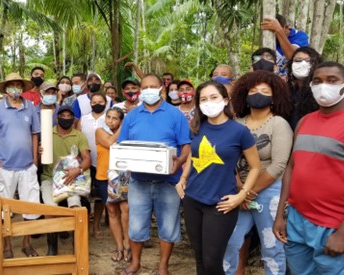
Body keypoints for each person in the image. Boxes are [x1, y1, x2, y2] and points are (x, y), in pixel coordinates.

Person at [273, 61, 344, 274]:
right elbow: (292, 169)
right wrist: (280, 216)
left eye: (332, 80)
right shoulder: (304, 122)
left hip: (337, 225)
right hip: (298, 221)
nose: (324, 86)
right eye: (317, 81)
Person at [176, 80, 261, 275]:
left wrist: (241, 196)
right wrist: (183, 178)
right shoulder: (197, 127)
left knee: (212, 262)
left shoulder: (239, 131)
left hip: (221, 203)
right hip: (192, 201)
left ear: (225, 100)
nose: (208, 102)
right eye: (203, 99)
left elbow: (256, 167)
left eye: (213, 97)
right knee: (199, 259)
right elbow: (193, 155)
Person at [117, 74, 192, 275]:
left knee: (168, 226)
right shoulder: (132, 116)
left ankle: (163, 267)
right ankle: (135, 263)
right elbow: (122, 144)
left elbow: (186, 146)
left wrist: (180, 162)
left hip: (168, 182)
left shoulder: (175, 115)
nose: (149, 90)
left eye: (153, 86)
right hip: (139, 181)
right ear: (141, 90)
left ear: (161, 88)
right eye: (145, 87)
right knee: (136, 226)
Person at [223, 71, 293, 275]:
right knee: (230, 242)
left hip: (269, 191)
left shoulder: (279, 124)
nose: (258, 94)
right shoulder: (236, 124)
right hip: (237, 191)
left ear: (274, 96)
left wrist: (248, 192)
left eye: (264, 91)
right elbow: (229, 160)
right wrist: (239, 190)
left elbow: (279, 164)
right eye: (253, 91)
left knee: (272, 245)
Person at [0, 73, 41, 258]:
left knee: (29, 206)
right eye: (11, 85)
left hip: (27, 166)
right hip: (5, 167)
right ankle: (7, 245)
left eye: (18, 85)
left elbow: (34, 134)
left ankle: (26, 243)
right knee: (3, 209)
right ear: (6, 88)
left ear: (23, 88)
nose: (15, 88)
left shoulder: (30, 107)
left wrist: (35, 161)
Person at [41, 105, 91, 256]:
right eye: (63, 116)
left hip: (71, 176)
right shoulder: (47, 134)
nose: (66, 119)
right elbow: (38, 161)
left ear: (74, 119)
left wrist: (78, 170)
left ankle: (78, 246)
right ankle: (52, 247)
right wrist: (39, 153)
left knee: (75, 205)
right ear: (57, 118)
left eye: (70, 116)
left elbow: (87, 159)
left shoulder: (79, 135)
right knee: (50, 208)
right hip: (49, 177)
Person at [95, 108, 129, 263]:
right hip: (104, 176)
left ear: (120, 120)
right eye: (108, 117)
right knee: (112, 211)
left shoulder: (128, 133)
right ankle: (119, 247)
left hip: (123, 177)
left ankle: (128, 246)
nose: (110, 120)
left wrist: (125, 126)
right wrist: (124, 125)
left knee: (126, 209)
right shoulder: (100, 132)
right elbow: (109, 143)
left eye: (115, 118)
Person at [77, 93, 107, 238]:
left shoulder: (109, 118)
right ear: (90, 104)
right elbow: (77, 139)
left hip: (103, 163)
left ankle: (96, 226)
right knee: (85, 195)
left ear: (106, 102)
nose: (97, 104)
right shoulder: (83, 119)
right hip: (86, 163)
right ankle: (85, 227)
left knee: (101, 197)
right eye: (94, 102)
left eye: (100, 101)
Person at [286, 46, 324, 129]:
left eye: (308, 61)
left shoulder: (323, 90)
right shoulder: (286, 91)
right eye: (298, 60)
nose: (303, 64)